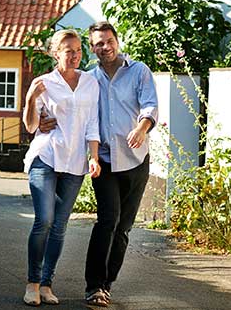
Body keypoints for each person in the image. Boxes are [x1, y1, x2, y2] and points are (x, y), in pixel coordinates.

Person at [39, 21, 157, 307]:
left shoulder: (139, 70)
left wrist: (141, 128)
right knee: (107, 220)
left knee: (124, 227)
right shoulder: (89, 80)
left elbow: (150, 106)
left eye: (108, 41)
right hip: (103, 160)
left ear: (117, 40)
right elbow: (73, 111)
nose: (105, 47)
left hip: (135, 160)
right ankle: (94, 286)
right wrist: (43, 122)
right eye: (98, 44)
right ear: (92, 49)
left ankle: (107, 284)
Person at [21, 29, 102, 306]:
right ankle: (32, 283)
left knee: (59, 226)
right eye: (68, 50)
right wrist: (31, 98)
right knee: (44, 219)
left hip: (75, 161)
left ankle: (46, 284)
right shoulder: (44, 82)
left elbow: (93, 124)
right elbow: (31, 126)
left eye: (78, 50)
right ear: (56, 53)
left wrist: (93, 157)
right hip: (46, 156)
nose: (75, 55)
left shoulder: (91, 83)